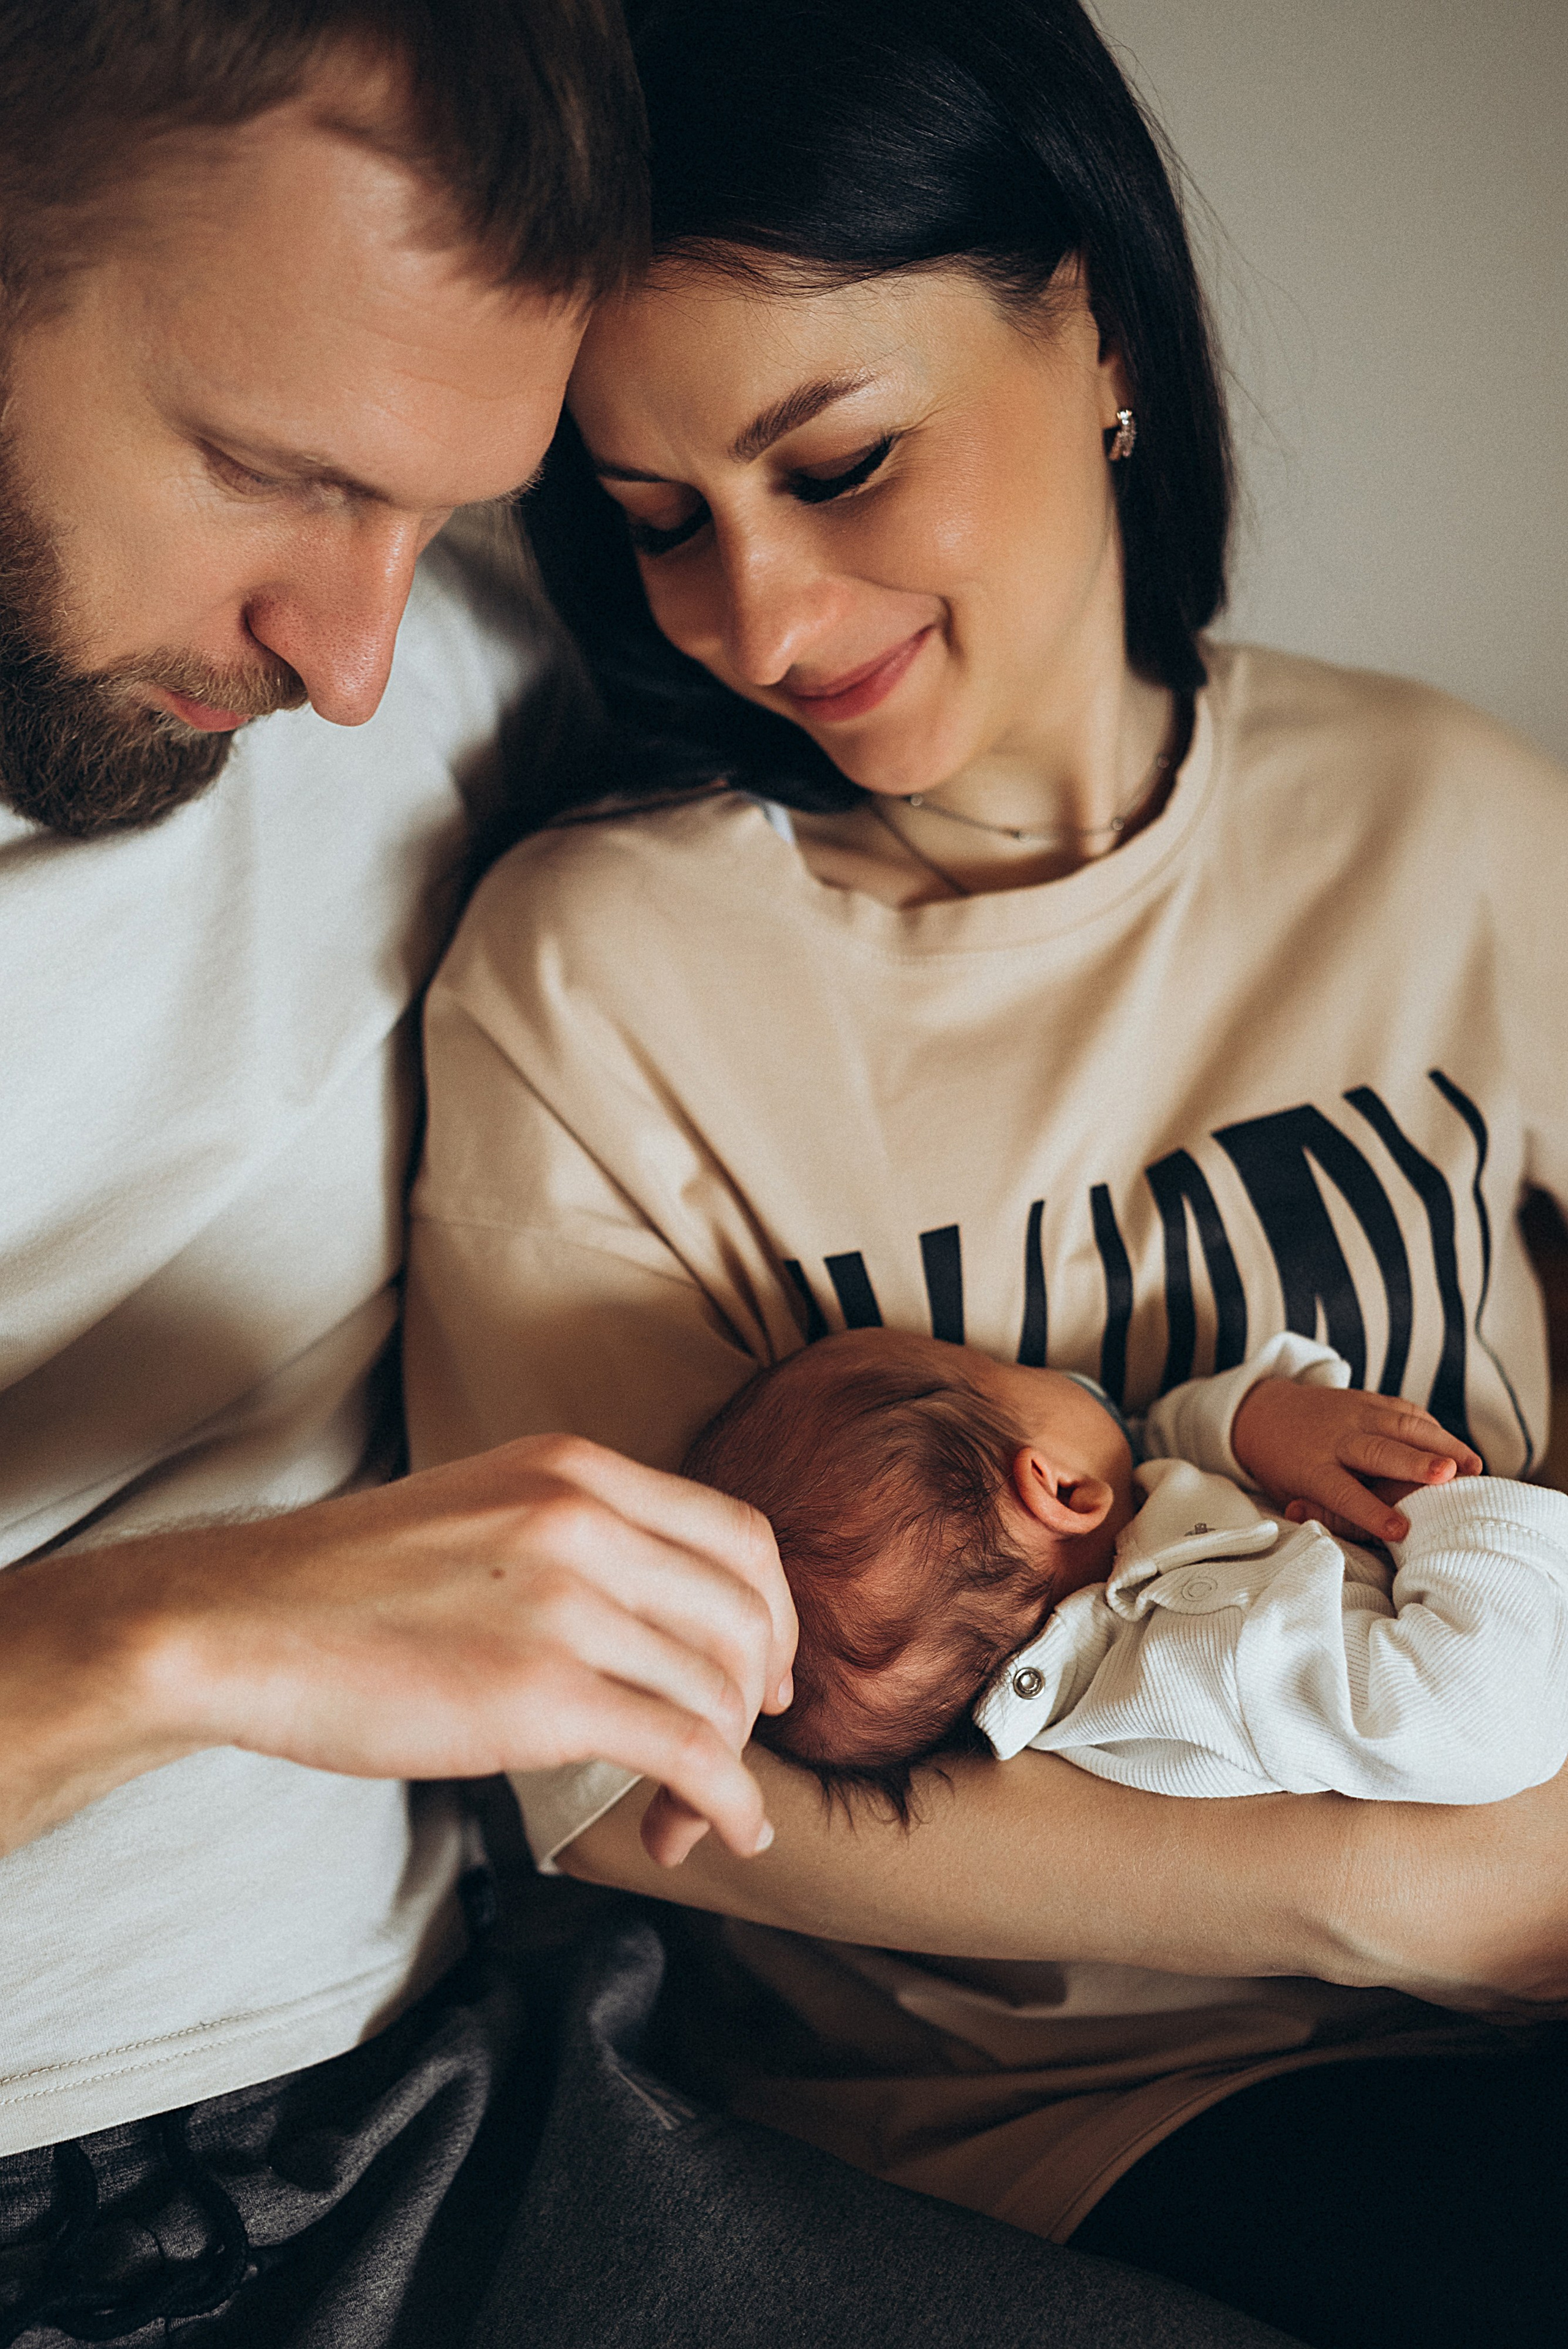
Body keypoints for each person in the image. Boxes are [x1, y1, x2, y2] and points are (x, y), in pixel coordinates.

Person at [0, 4, 1309, 2343]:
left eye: (452, 508)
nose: (358, 655)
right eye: (274, 469)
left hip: (456, 2105)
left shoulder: (489, 682)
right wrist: (164, 1637)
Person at [404, 0, 1568, 2340]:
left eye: (833, 462)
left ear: (1103, 325)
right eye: (651, 525)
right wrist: (1400, 1893)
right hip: (1069, 2109)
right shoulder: (607, 968)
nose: (748, 614)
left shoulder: (1452, 822)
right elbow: (599, 1768)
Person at [682, 1327, 1568, 1810]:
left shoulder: (1120, 1593)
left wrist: (1249, 1422)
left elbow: (1148, 1460)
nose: (1060, 1368)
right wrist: (1433, 1508)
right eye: (1004, 1367)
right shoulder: (1209, 1659)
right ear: (1059, 1490)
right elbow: (1478, 1707)